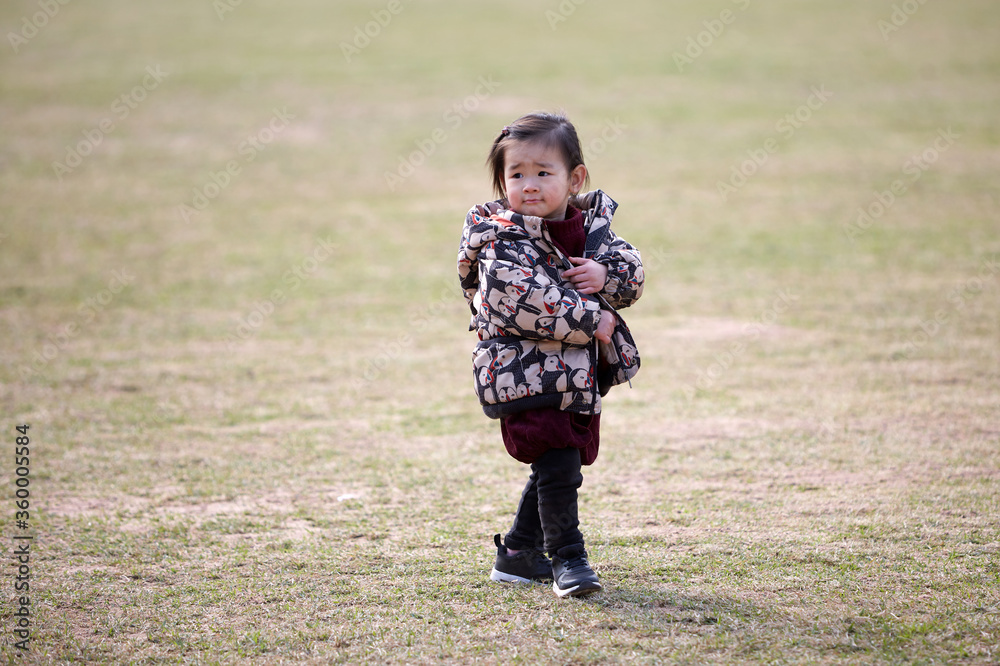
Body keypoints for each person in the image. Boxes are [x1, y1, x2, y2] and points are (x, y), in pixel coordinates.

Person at [457, 112, 644, 597]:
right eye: (516, 174)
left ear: (574, 178)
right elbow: (520, 299)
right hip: (525, 372)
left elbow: (631, 271)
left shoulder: (591, 229)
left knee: (560, 463)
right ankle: (568, 557)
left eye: (544, 172)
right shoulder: (502, 239)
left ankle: (518, 553)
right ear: (502, 182)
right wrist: (592, 320)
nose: (530, 185)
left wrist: (606, 276)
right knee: (559, 462)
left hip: (578, 375)